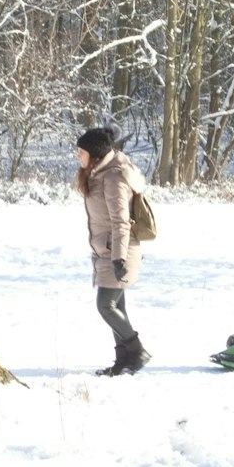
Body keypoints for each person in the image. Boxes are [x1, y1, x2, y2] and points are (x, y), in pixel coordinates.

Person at [76, 125, 148, 376]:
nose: (78, 156)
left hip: (119, 252)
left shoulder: (113, 178)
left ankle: (137, 352)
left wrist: (118, 259)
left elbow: (121, 222)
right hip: (106, 251)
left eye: (82, 152)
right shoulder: (97, 174)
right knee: (118, 307)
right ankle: (122, 361)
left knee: (105, 305)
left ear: (95, 155)